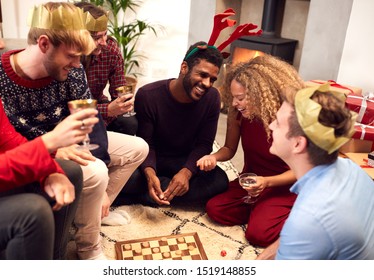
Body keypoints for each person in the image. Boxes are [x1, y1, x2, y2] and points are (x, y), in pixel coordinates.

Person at [0, 2, 148, 260]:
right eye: (72, 56)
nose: (77, 65)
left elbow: (90, 118)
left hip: (66, 141)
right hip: (36, 147)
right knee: (94, 172)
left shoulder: (72, 69)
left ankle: (94, 212)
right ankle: (89, 248)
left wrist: (101, 169)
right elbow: (6, 140)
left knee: (137, 147)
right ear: (43, 44)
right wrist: (53, 147)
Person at [0, 0, 99, 259]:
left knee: (68, 171)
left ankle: (53, 260)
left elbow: (7, 140)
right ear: (46, 44)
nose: (1, 44)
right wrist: (49, 143)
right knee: (31, 212)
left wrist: (49, 170)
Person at [197, 54, 305, 248]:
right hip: (252, 181)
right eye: (233, 98)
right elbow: (230, 149)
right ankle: (263, 209)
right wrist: (213, 157)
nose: (235, 104)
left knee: (258, 235)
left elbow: (301, 171)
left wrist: (267, 182)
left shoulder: (289, 119)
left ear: (261, 94)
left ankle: (299, 213)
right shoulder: (237, 114)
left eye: (241, 98)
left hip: (285, 186)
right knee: (215, 209)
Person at [261, 84, 374, 259]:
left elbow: (306, 225)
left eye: (278, 122)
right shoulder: (353, 169)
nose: (270, 126)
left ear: (298, 144)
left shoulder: (308, 218)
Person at [116, 41, 229, 206]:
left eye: (212, 79)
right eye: (202, 75)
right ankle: (159, 190)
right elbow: (147, 143)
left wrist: (186, 173)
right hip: (154, 160)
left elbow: (204, 144)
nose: (207, 84)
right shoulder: (148, 95)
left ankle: (144, 196)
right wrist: (150, 174)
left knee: (220, 181)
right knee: (125, 178)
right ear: (184, 68)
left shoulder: (212, 98)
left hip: (185, 160)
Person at [75, 1, 137, 136]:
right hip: (74, 112)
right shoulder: (67, 58)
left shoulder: (110, 49)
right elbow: (70, 107)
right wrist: (107, 110)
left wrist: (124, 102)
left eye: (105, 34)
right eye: (97, 37)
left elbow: (119, 90)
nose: (104, 42)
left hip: (97, 103)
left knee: (129, 122)